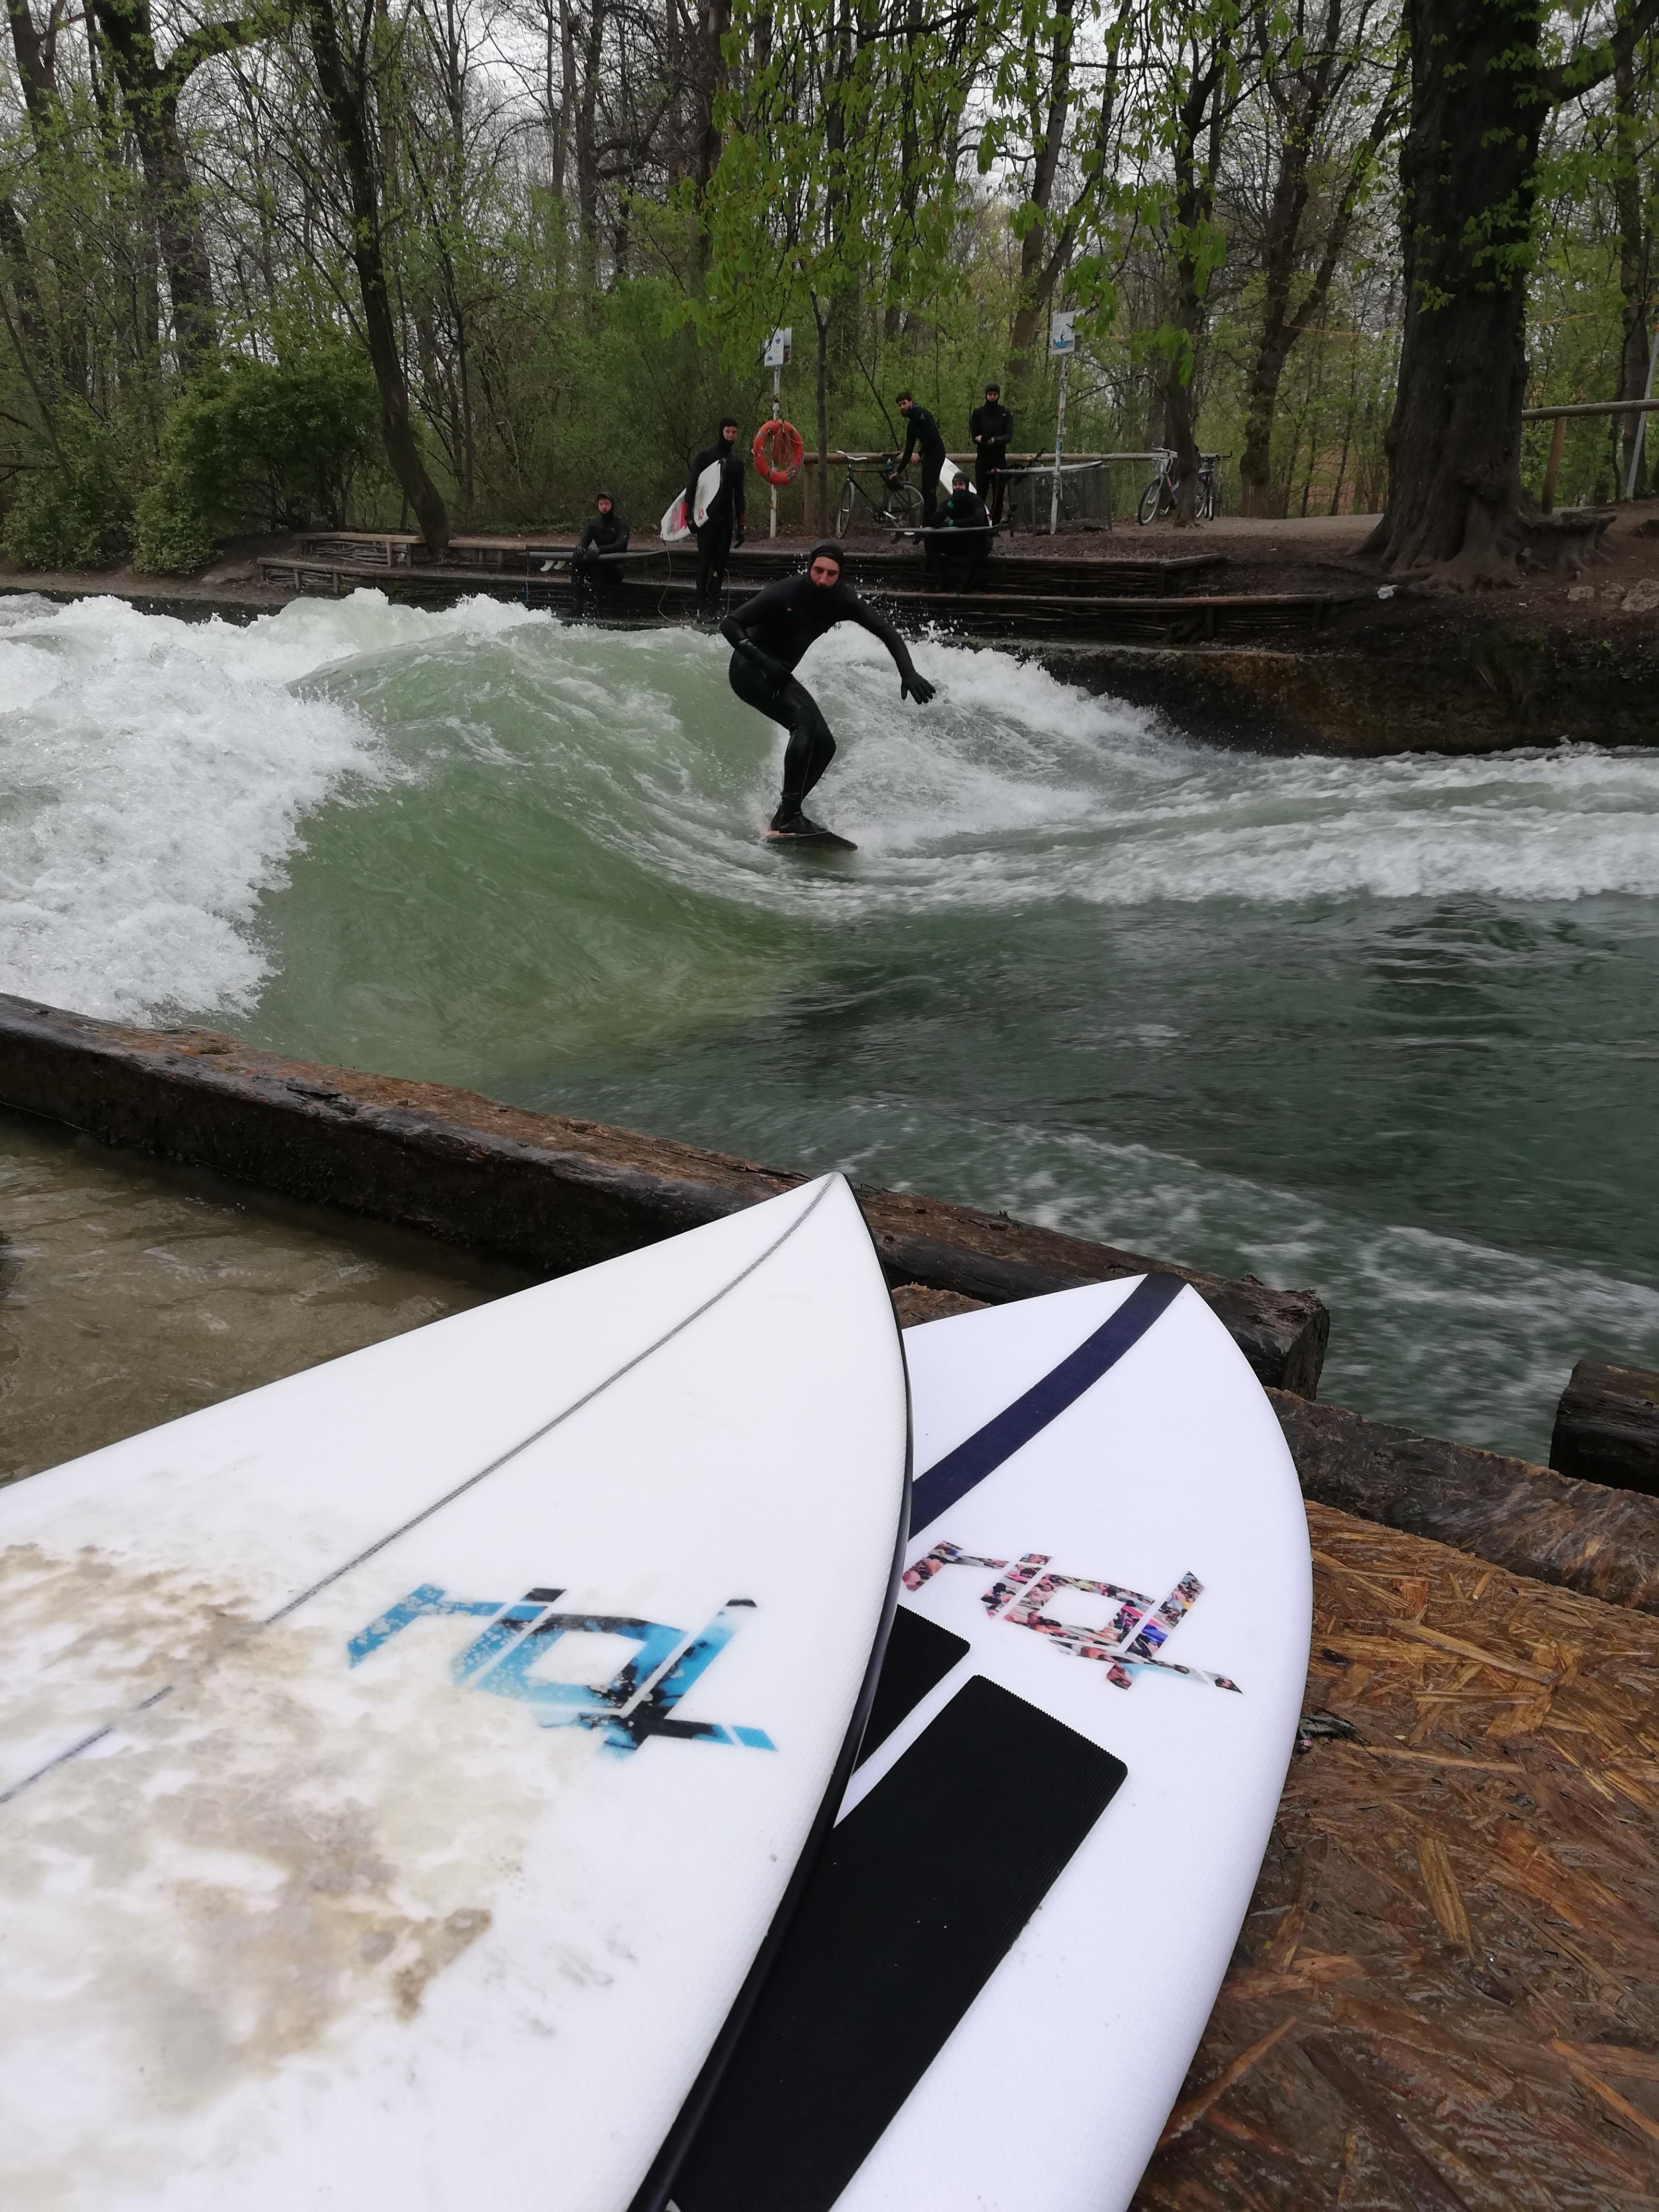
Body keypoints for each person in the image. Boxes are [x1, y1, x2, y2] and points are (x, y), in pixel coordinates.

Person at [721, 540, 937, 839]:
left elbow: (885, 630)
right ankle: (791, 816)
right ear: (809, 568)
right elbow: (730, 624)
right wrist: (764, 661)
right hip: (749, 669)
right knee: (804, 722)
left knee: (825, 745)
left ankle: (784, 817)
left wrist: (908, 672)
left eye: (831, 574)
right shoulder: (787, 592)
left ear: (840, 576)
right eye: (818, 571)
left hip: (778, 675)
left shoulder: (843, 600)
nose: (823, 580)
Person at [685, 416, 746, 618]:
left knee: (720, 563)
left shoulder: (737, 463)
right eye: (728, 432)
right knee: (704, 562)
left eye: (734, 432)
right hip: (707, 519)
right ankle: (701, 606)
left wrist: (741, 526)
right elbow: (692, 485)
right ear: (721, 432)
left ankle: (714, 604)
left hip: (725, 520)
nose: (731, 436)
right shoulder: (705, 457)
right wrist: (688, 515)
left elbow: (739, 495)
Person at [924, 471, 993, 593]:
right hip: (960, 543)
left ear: (966, 486)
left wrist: (950, 523)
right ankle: (941, 583)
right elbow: (932, 522)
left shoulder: (975, 500)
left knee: (975, 538)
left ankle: (965, 586)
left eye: (961, 484)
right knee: (930, 538)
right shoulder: (950, 503)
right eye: (955, 485)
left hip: (980, 544)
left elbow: (977, 520)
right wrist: (951, 505)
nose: (958, 488)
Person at [892, 391, 948, 527]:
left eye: (904, 403)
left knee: (930, 491)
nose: (902, 407)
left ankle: (931, 525)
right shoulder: (911, 425)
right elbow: (908, 451)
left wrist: (920, 453)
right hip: (928, 455)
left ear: (911, 403)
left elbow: (932, 436)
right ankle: (928, 525)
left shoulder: (921, 413)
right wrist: (898, 471)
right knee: (926, 492)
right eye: (900, 405)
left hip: (937, 453)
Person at [571, 491, 629, 613]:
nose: (604, 507)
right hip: (597, 569)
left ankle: (597, 608)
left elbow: (620, 545)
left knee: (597, 565)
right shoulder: (594, 525)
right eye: (601, 504)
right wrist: (580, 548)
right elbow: (583, 541)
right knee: (578, 564)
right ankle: (577, 607)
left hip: (615, 569)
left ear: (612, 505)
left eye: (607, 504)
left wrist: (601, 550)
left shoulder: (621, 525)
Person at [969, 381, 1014, 524]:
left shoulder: (1006, 413)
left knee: (998, 494)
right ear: (986, 395)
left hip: (999, 458)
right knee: (981, 494)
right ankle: (980, 523)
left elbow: (1009, 436)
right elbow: (974, 435)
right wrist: (981, 439)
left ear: (998, 395)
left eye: (995, 394)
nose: (993, 397)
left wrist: (996, 440)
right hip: (983, 458)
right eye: (990, 394)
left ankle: (995, 525)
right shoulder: (978, 414)